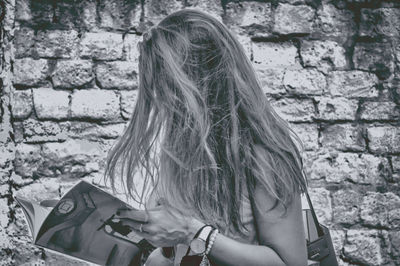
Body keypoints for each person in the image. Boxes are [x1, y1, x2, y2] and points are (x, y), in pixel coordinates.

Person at [104, 8, 308, 266]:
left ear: (203, 81)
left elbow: (291, 264)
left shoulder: (262, 153)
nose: (159, 96)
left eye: (167, 84)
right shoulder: (179, 146)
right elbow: (178, 252)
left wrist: (193, 232)